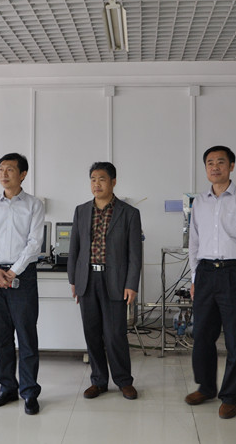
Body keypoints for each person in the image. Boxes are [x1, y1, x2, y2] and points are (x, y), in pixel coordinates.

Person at [184, 145, 236, 420]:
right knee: (202, 336)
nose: (215, 167)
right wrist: (194, 278)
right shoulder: (199, 203)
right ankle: (206, 387)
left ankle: (230, 396)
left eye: (220, 162)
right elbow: (194, 243)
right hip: (206, 273)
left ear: (231, 166)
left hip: (235, 274)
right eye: (210, 163)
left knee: (234, 338)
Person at [67, 162, 142, 401]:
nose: (96, 184)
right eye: (92, 179)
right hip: (87, 279)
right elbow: (74, 248)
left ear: (113, 182)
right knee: (92, 334)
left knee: (115, 335)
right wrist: (73, 280)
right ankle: (98, 381)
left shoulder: (129, 213)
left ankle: (124, 381)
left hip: (115, 281)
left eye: (101, 179)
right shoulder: (81, 211)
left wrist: (131, 284)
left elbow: (135, 254)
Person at [0, 153, 45, 415]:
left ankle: (29, 392)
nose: (4, 174)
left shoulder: (34, 205)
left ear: (23, 174)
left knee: (26, 336)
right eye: (1, 169)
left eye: (9, 169)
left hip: (23, 276)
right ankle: (7, 388)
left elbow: (34, 243)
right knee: (2, 337)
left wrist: (14, 271)